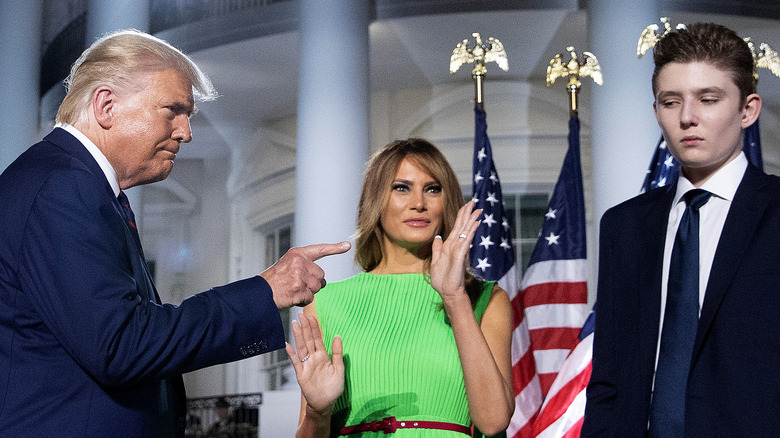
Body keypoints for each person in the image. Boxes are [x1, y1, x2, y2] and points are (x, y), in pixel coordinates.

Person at [0, 30, 349, 437]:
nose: (186, 132)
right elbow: (122, 346)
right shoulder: (62, 187)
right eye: (172, 110)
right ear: (106, 105)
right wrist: (264, 292)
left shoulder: (76, 185)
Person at [582, 23, 778, 437]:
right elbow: (610, 377)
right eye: (671, 102)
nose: (687, 117)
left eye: (708, 99)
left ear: (748, 110)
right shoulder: (624, 226)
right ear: (657, 111)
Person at [285, 138, 514, 437]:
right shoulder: (326, 303)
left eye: (433, 189)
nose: (419, 203)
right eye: (401, 188)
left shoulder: (485, 299)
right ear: (376, 199)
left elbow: (494, 421)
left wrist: (454, 297)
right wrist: (318, 413)